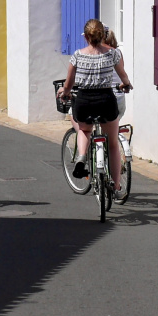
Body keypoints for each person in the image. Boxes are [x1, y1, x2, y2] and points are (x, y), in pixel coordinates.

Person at [57, 19, 133, 194]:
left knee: (84, 130)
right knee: (112, 144)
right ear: (102, 35)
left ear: (86, 37)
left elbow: (69, 84)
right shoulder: (113, 54)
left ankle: (81, 157)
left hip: (84, 101)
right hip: (106, 100)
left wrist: (65, 91)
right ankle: (115, 185)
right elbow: (123, 76)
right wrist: (126, 84)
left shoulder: (77, 55)